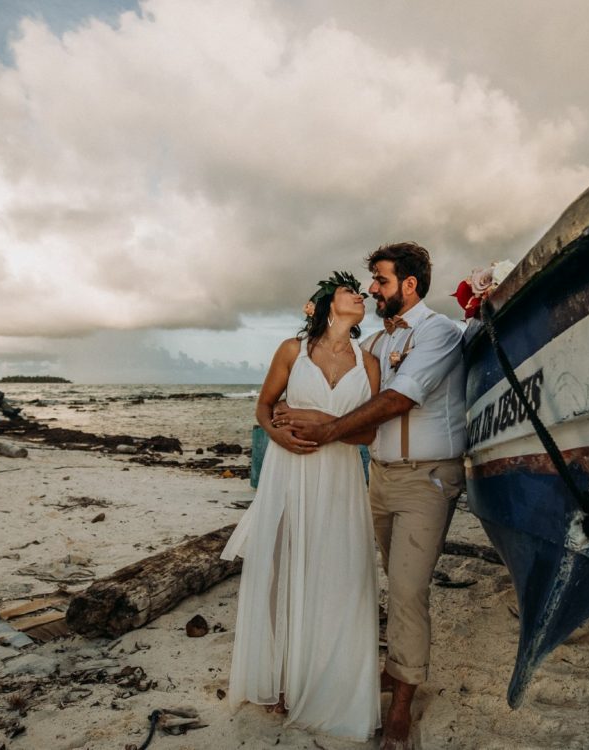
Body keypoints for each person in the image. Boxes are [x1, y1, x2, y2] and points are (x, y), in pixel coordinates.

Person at [285, 242, 467, 750]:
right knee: (387, 577)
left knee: (408, 589)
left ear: (409, 285)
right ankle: (396, 668)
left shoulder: (440, 333)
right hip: (380, 477)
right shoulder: (379, 345)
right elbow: (352, 401)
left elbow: (399, 399)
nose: (372, 290)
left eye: (381, 281)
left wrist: (327, 431)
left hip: (427, 478)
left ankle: (402, 706)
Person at [220, 271, 381, 741]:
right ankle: (284, 679)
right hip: (290, 471)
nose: (363, 297)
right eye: (354, 292)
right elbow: (264, 407)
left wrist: (322, 419)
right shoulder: (293, 352)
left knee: (338, 570)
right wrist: (277, 438)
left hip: (341, 477)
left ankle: (327, 679)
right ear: (331, 304)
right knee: (284, 565)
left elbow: (368, 433)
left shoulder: (368, 362)